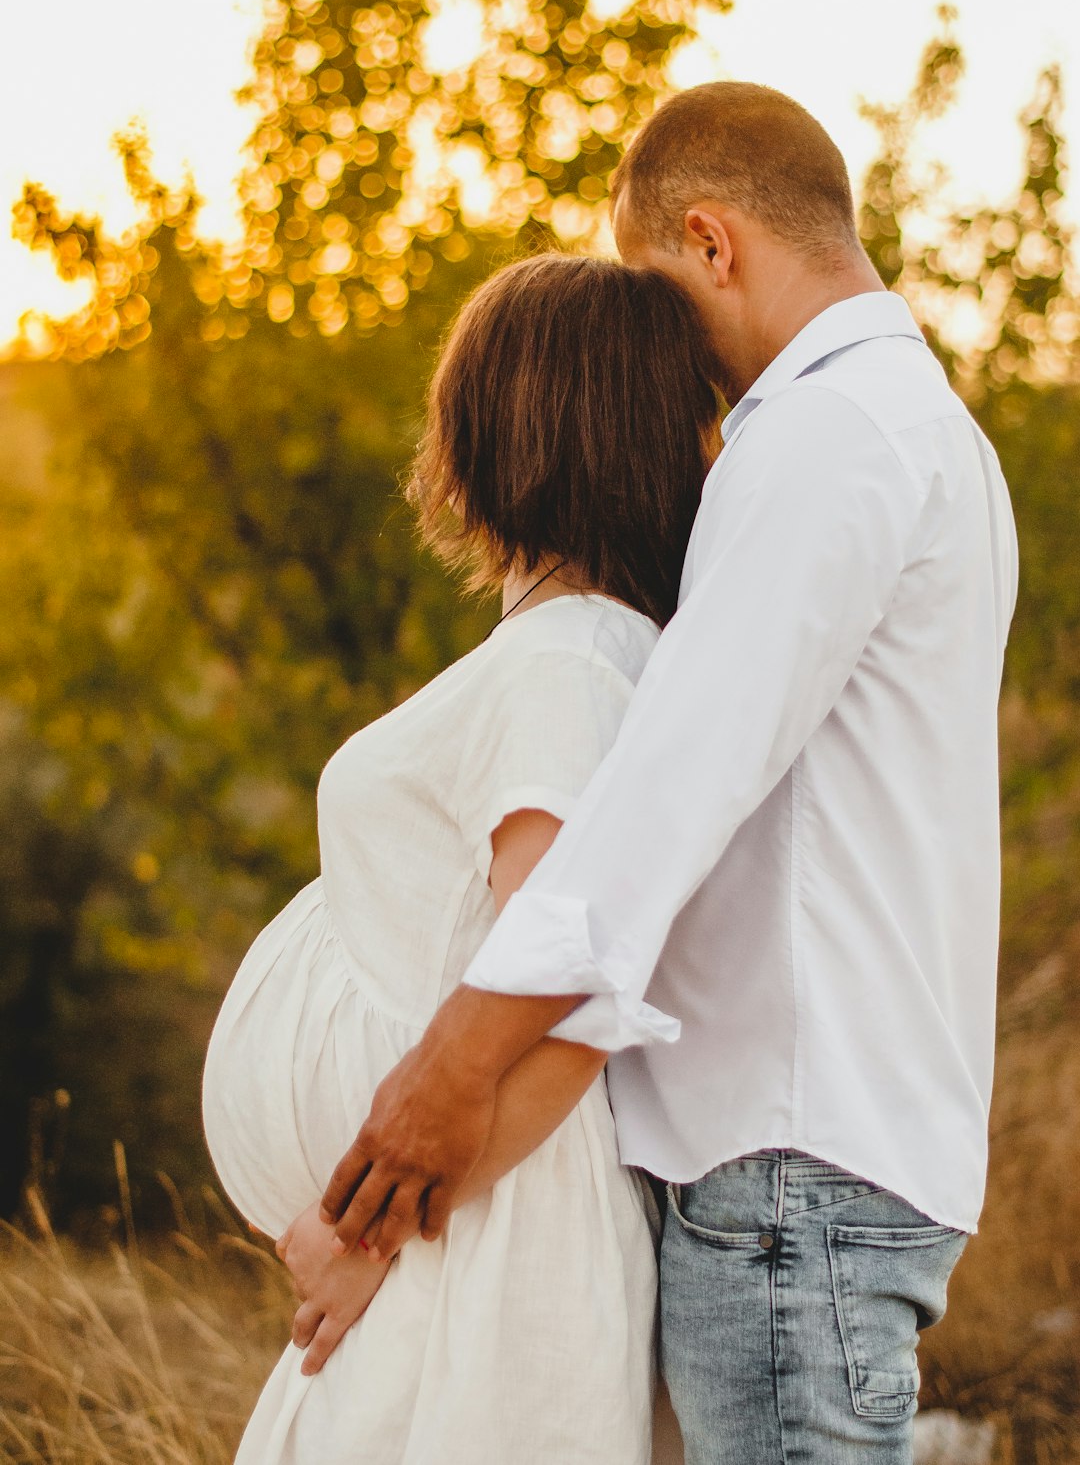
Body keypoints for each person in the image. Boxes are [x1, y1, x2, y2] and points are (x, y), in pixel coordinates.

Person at [316, 82, 1020, 1465]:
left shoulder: (825, 437)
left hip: (787, 1168)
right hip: (821, 1158)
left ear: (710, 241)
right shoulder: (922, 430)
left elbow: (663, 800)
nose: (657, 363)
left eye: (653, 296)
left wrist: (445, 1071)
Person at [201, 251, 720, 1463]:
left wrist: (363, 1236)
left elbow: (565, 985)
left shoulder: (569, 659)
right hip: (459, 1218)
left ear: (503, 428)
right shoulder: (587, 650)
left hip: (475, 1227)